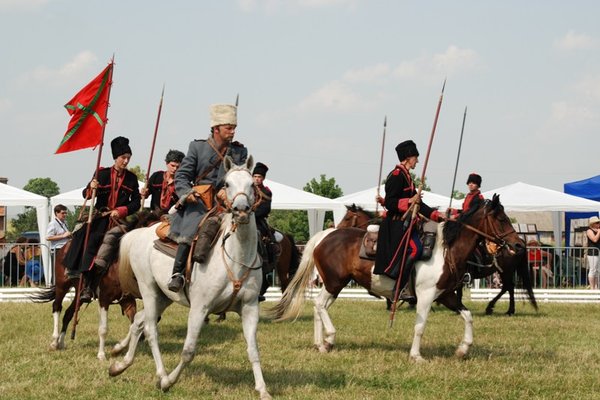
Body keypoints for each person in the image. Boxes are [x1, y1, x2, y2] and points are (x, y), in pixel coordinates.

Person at [167, 104, 248, 292]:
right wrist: (187, 193)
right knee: (190, 228)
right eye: (229, 127)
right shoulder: (197, 147)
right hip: (200, 201)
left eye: (234, 127)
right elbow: (182, 176)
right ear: (216, 128)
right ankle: (177, 273)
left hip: (228, 202)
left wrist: (227, 192)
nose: (233, 131)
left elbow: (239, 176)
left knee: (257, 229)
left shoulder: (239, 152)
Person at [63, 136, 141, 303]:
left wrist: (121, 210)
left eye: (128, 158)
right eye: (123, 158)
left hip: (120, 221)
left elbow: (136, 203)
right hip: (101, 218)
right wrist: (91, 188)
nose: (126, 161)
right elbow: (87, 195)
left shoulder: (132, 179)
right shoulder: (102, 174)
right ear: (116, 158)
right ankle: (86, 285)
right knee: (89, 241)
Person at [373, 140, 442, 302]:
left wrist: (437, 215)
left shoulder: (407, 176)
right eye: (415, 158)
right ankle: (399, 287)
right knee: (415, 249)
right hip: (396, 224)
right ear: (408, 157)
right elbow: (390, 202)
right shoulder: (397, 176)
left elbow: (418, 203)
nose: (417, 161)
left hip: (408, 224)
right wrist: (409, 201)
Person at [252, 162, 281, 301]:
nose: (257, 179)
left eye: (259, 177)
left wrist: (251, 214)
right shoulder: (247, 189)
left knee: (262, 238)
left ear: (263, 178)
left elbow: (265, 209)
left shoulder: (267, 191)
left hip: (258, 221)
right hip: (242, 219)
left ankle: (265, 262)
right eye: (255, 176)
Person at [586, 216, 600, 290]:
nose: (599, 224)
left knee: (598, 270)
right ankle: (592, 287)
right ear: (593, 224)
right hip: (592, 253)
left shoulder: (598, 230)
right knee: (593, 269)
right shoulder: (589, 231)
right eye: (597, 223)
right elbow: (594, 239)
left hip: (598, 252)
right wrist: (599, 232)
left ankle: (597, 287)